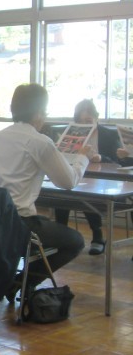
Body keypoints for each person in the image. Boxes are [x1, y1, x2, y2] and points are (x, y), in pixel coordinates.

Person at [0, 84, 87, 300]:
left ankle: (18, 282)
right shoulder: (39, 141)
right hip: (22, 225)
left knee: (46, 226)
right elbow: (68, 181)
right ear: (39, 113)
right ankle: (23, 281)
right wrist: (83, 157)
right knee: (76, 241)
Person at [54, 99, 118, 255]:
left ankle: (97, 235)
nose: (85, 125)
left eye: (88, 121)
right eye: (80, 121)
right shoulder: (70, 133)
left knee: (88, 192)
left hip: (102, 180)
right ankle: (61, 234)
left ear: (96, 118)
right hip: (77, 173)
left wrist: (100, 158)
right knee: (63, 190)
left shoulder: (108, 134)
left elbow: (117, 160)